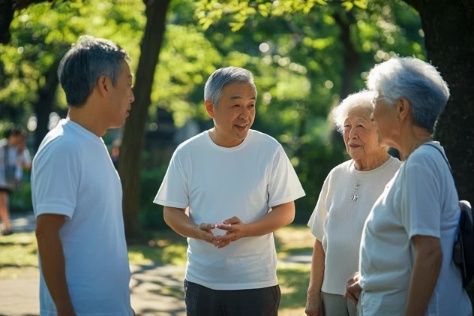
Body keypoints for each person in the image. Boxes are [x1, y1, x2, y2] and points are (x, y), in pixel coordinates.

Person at [154, 66, 305, 316]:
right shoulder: (187, 153)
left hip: (256, 283)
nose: (245, 114)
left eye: (251, 105)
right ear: (210, 108)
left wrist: (245, 230)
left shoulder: (270, 150)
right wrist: (196, 231)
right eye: (236, 106)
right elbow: (172, 212)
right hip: (202, 282)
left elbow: (286, 211)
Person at [346, 57, 472, 315]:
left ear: (402, 108)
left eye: (377, 100)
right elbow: (407, 249)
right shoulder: (424, 159)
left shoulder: (420, 165)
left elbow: (429, 254)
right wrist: (371, 281)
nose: (372, 112)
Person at [31, 35, 135, 315]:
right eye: (128, 85)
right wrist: (65, 310)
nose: (132, 96)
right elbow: (46, 232)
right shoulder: (64, 147)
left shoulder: (93, 142)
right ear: (104, 84)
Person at [305, 91, 401, 316]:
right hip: (331, 293)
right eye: (347, 126)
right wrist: (313, 295)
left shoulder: (401, 176)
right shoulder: (336, 175)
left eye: (360, 126)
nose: (351, 134)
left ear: (383, 132)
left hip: (378, 295)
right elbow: (320, 241)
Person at [0, 127, 25, 235]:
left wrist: (18, 178)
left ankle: (7, 227)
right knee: (2, 203)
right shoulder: (2, 146)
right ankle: (7, 226)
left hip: (8, 181)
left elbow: (21, 165)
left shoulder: (19, 150)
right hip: (1, 178)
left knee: (2, 203)